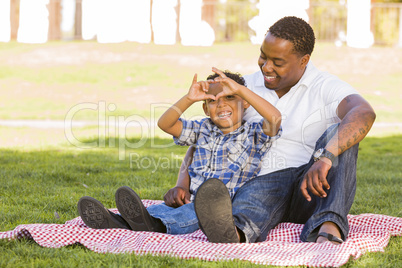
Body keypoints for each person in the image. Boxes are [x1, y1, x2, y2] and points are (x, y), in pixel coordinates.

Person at [164, 16, 376, 244]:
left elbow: (363, 113)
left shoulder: (325, 86)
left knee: (340, 133)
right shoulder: (240, 87)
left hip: (313, 188)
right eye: (263, 56)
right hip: (259, 187)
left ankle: (328, 226)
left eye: (277, 61)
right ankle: (233, 233)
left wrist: (325, 158)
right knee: (258, 193)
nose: (266, 67)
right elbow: (207, 136)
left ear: (304, 60)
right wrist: (182, 184)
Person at [77, 69, 282, 237]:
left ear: (245, 102)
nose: (221, 104)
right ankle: (118, 222)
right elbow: (165, 124)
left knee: (191, 212)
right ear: (205, 108)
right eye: (213, 100)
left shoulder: (254, 133)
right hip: (190, 200)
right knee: (162, 210)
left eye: (230, 97)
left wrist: (241, 89)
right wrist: (189, 98)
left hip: (221, 208)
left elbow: (274, 117)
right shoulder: (202, 128)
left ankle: (153, 226)